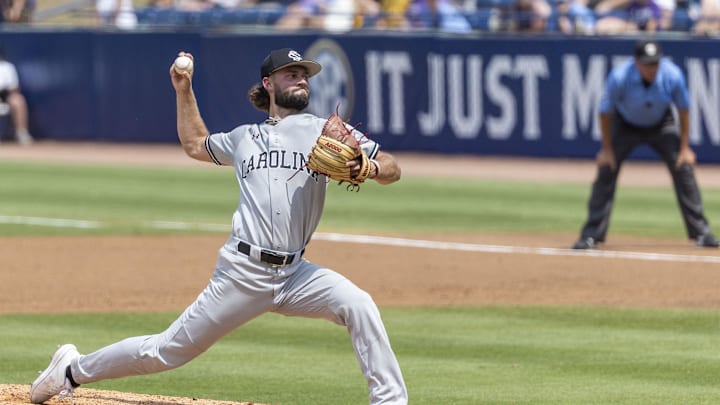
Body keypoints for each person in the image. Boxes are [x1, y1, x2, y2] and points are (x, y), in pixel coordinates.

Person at [29, 48, 408, 405]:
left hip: (296, 275)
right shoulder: (245, 138)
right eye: (291, 74)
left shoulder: (324, 130)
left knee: (359, 305)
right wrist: (184, 90)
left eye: (305, 75)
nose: (302, 80)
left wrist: (371, 168)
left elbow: (392, 167)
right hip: (243, 273)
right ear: (268, 84)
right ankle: (71, 369)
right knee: (166, 351)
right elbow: (195, 143)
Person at [572, 40, 719, 250]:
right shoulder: (620, 77)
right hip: (625, 124)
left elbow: (684, 110)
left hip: (662, 123)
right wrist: (607, 150)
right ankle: (590, 236)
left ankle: (702, 234)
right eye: (647, 64)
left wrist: (685, 148)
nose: (652, 68)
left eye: (655, 63)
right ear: (636, 63)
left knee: (683, 168)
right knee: (606, 169)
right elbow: (605, 113)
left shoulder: (672, 75)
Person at [0, 47, 33, 145]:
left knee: (18, 100)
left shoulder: (7, 67)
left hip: (5, 95)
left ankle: (21, 133)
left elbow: (14, 87)